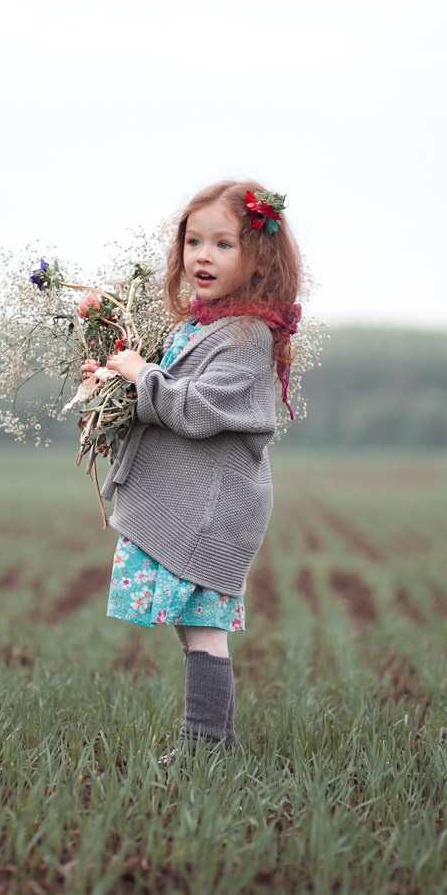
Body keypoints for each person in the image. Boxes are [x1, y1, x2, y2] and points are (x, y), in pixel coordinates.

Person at [81, 178, 302, 762]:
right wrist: (112, 384)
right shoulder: (201, 324)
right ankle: (213, 742)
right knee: (194, 626)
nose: (203, 255)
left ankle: (205, 746)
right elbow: (166, 393)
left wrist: (139, 375)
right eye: (194, 241)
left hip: (211, 509)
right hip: (192, 501)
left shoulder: (247, 335)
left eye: (223, 244)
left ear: (259, 259)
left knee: (204, 626)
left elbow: (195, 409)